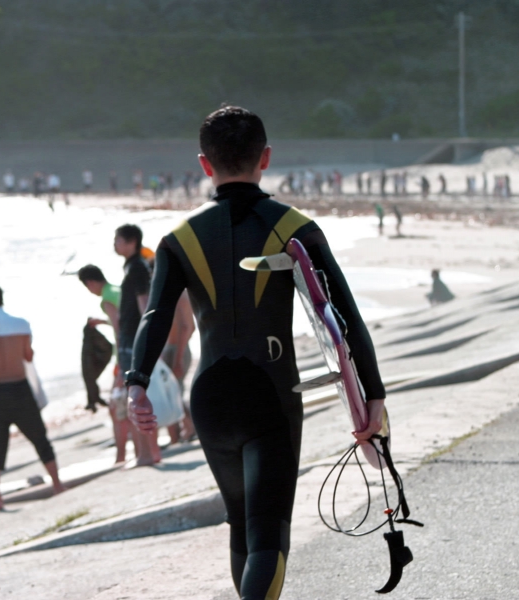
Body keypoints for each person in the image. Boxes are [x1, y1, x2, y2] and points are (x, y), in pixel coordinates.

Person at [125, 106, 385, 599]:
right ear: (265, 158)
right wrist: (373, 393)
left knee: (241, 524)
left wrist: (136, 382)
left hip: (211, 398)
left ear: (205, 165)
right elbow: (343, 316)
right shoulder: (295, 227)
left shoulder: (178, 239)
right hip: (270, 395)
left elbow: (154, 317)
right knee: (268, 531)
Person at [0, 281, 64, 509]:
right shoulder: (21, 325)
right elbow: (28, 357)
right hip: (20, 388)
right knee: (40, 438)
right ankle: (57, 484)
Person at [114, 224, 161, 466]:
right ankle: (148, 453)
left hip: (133, 339)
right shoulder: (135, 266)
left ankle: (145, 455)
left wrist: (148, 338)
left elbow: (144, 304)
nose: (114, 244)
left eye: (118, 239)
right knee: (138, 395)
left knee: (135, 396)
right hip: (133, 337)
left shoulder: (137, 267)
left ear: (131, 241)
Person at [77, 265, 119, 413]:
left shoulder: (106, 299)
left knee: (116, 408)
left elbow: (120, 329)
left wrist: (120, 361)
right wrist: (103, 322)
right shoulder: (117, 289)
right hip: (142, 347)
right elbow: (124, 320)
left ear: (89, 283)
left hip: (127, 354)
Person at [159, 291, 197, 443]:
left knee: (175, 393)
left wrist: (178, 357)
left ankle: (191, 428)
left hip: (177, 349)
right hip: (172, 348)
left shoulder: (180, 294)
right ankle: (184, 431)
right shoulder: (178, 292)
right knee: (173, 392)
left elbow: (187, 326)